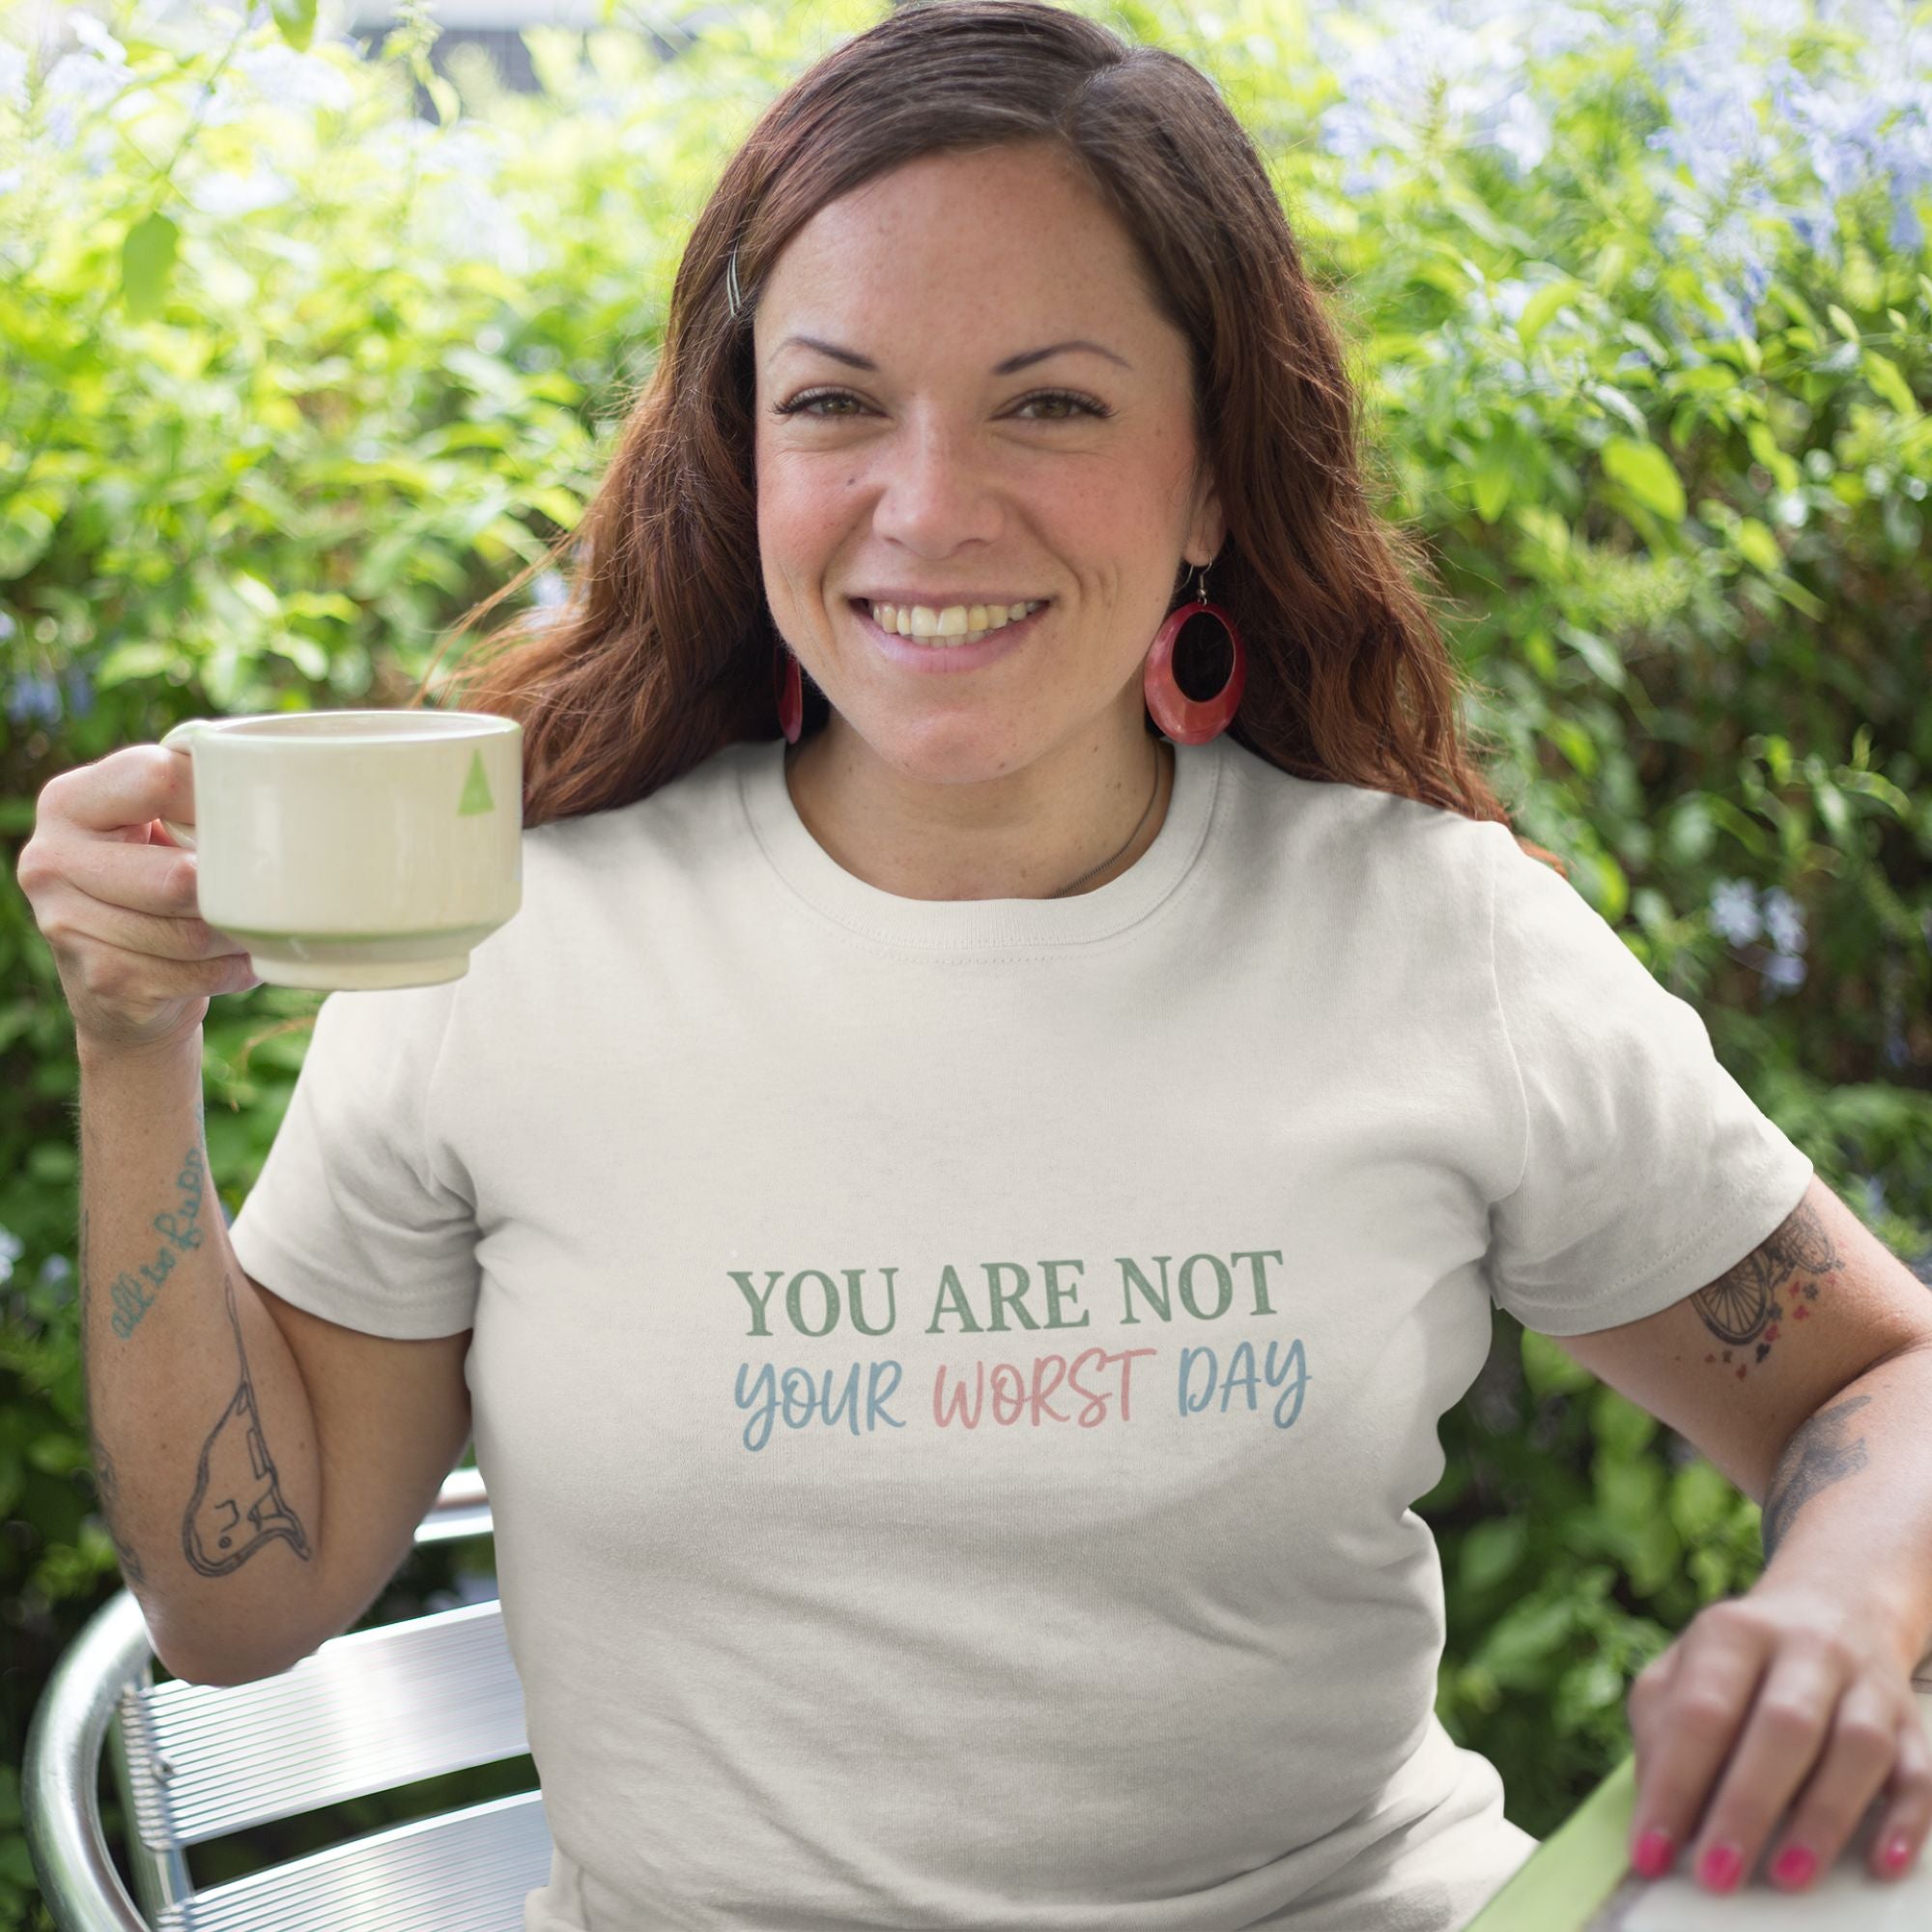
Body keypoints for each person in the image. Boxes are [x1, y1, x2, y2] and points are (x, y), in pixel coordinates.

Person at [18, 5, 1820, 1929]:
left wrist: (1822, 1620)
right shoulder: (515, 944)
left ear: (1213, 473)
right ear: (746, 450)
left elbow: (1873, 1392)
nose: (931, 505)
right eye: (835, 402)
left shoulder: (1433, 938)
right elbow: (236, 1596)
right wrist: (136, 1039)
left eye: (1049, 401)